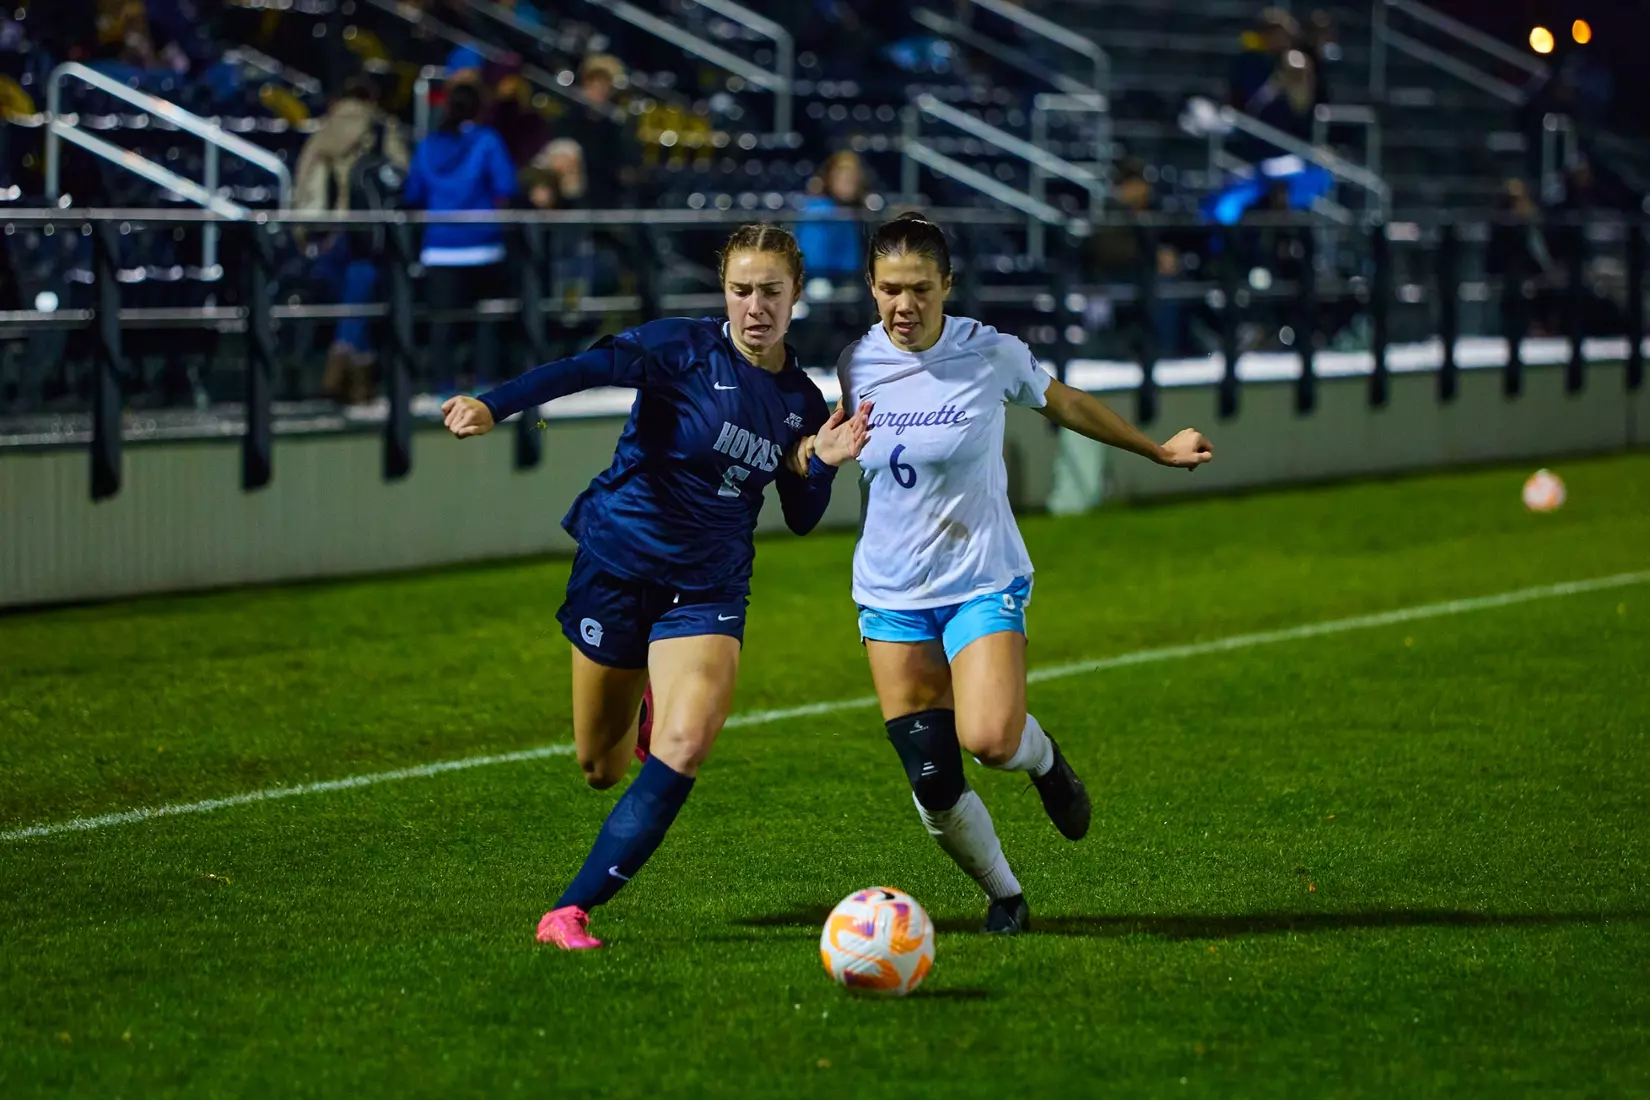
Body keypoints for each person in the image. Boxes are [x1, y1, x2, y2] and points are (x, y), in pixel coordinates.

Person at [440, 224, 875, 951]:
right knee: (599, 767)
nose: (756, 306)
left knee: (687, 741)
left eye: (772, 291)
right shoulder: (681, 347)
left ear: (796, 294)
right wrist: (494, 405)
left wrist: (821, 461)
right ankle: (641, 701)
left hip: (709, 587)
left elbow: (801, 517)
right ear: (723, 292)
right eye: (741, 290)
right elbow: (583, 368)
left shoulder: (801, 400)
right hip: (618, 563)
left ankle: (569, 911)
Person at [836, 213, 1213, 934]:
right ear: (871, 287)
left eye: (920, 289)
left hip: (980, 578)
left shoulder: (990, 353)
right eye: (889, 289)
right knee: (933, 780)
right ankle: (1006, 897)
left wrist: (1157, 450)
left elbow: (1065, 402)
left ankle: (1044, 762)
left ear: (947, 285)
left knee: (990, 739)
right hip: (889, 591)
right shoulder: (855, 363)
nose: (904, 305)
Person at [292, 76, 410, 404]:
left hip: (331, 230)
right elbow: (402, 176)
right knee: (360, 286)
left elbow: (306, 181)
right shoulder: (384, 129)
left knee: (353, 294)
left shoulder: (326, 129)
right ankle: (348, 362)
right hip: (370, 228)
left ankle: (349, 371)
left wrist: (303, 229)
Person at [403, 81, 517, 389]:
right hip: (484, 246)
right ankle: (484, 387)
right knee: (486, 322)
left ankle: (444, 389)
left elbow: (413, 192)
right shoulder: (488, 140)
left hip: (439, 248)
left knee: (443, 325)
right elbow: (507, 185)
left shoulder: (427, 145)